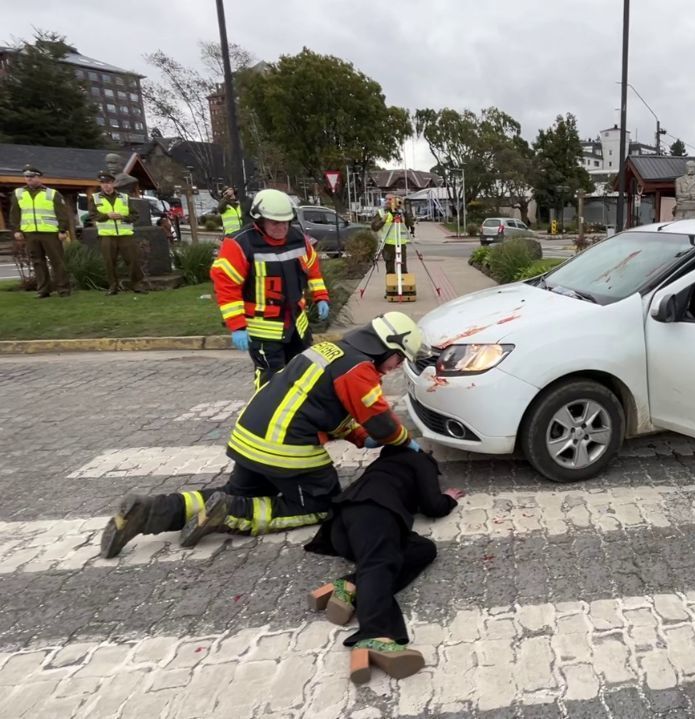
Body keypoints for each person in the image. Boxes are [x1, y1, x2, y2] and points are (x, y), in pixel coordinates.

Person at [98, 312, 427, 558]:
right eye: (399, 358)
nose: (397, 366)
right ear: (386, 347)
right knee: (321, 505)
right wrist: (404, 443)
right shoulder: (360, 370)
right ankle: (231, 514)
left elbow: (321, 407)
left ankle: (150, 510)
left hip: (249, 438)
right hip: (285, 448)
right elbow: (381, 423)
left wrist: (357, 437)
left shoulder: (332, 351)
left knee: (233, 491)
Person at [304, 446, 465, 683]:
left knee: (423, 549)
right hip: (374, 514)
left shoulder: (382, 466)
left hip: (342, 530)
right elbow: (433, 506)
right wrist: (448, 498)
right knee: (379, 564)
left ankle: (349, 586)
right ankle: (374, 636)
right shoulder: (420, 461)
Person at [211, 188, 330, 388]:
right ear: (259, 220)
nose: (281, 227)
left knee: (303, 378)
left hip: (297, 327)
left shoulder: (298, 239)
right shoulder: (239, 245)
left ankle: (295, 418)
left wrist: (321, 297)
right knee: (271, 383)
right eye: (275, 222)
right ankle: (264, 418)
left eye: (285, 222)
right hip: (264, 332)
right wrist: (237, 326)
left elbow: (313, 270)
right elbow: (227, 287)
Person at [9, 165, 71, 298]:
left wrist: (62, 230)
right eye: (27, 177)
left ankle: (63, 289)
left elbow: (61, 213)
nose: (29, 179)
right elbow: (15, 213)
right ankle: (43, 290)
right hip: (30, 233)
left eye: (32, 177)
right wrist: (16, 230)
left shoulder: (52, 193)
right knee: (37, 262)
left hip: (51, 233)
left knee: (57, 261)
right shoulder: (18, 193)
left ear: (39, 177)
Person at [89, 171, 145, 295]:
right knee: (109, 262)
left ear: (113, 183)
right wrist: (107, 215)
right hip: (107, 235)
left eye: (108, 183)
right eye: (103, 183)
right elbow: (93, 215)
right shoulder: (95, 198)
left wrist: (123, 218)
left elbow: (135, 215)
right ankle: (113, 287)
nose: (106, 186)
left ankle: (136, 285)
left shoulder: (124, 197)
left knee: (132, 260)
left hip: (125, 234)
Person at [372, 194, 410, 275]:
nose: (389, 201)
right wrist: (383, 221)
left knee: (403, 269)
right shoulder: (381, 212)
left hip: (401, 243)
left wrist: (404, 211)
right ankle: (391, 286)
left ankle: (404, 285)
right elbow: (374, 227)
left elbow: (409, 224)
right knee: (390, 269)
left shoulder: (402, 212)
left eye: (391, 199)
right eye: (387, 199)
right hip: (388, 244)